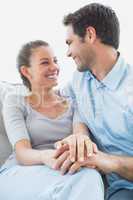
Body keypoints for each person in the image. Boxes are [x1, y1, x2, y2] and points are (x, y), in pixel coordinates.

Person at [0, 40, 104, 200]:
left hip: (64, 170)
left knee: (90, 177)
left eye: (55, 61)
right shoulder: (15, 100)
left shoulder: (73, 101)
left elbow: (80, 136)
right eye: (44, 62)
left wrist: (78, 150)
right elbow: (22, 153)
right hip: (22, 171)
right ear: (26, 71)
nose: (54, 67)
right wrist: (47, 157)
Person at [55, 3, 133, 200]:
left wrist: (110, 162)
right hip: (95, 182)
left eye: (69, 43)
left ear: (90, 35)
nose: (68, 53)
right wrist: (80, 135)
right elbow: (73, 105)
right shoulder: (80, 80)